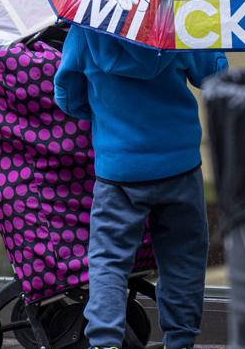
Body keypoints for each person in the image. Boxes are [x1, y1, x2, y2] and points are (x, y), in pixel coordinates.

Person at [53, 26, 227, 349]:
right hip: (180, 168)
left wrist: (98, 114)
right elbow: (215, 75)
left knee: (108, 260)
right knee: (183, 257)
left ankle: (104, 341)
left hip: (117, 172)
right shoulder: (179, 20)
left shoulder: (87, 26)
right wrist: (211, 40)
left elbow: (66, 94)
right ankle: (181, 338)